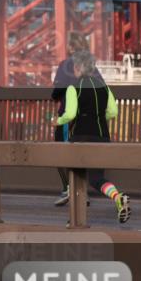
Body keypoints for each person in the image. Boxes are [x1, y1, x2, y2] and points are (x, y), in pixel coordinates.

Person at [54, 51, 131, 223]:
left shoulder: (73, 88)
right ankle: (118, 197)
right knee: (96, 178)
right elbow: (113, 112)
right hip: (102, 136)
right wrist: (99, 117)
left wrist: (58, 121)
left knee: (76, 175)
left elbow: (70, 114)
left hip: (80, 137)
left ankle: (75, 218)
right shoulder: (104, 87)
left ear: (78, 68)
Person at [51, 33, 95, 207]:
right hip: (88, 118)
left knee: (60, 152)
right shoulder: (92, 65)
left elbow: (57, 91)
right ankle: (82, 191)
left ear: (70, 47)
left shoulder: (66, 65)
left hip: (68, 117)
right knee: (81, 155)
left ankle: (68, 189)